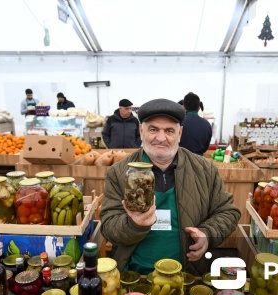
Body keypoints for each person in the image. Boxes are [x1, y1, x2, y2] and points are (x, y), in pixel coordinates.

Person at [100, 98, 240, 276]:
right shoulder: (119, 172)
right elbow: (108, 226)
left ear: (179, 134)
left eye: (169, 130)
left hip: (188, 275)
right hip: (134, 275)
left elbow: (228, 212)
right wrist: (134, 224)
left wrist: (208, 234)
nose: (161, 138)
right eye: (153, 129)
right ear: (141, 131)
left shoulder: (205, 170)